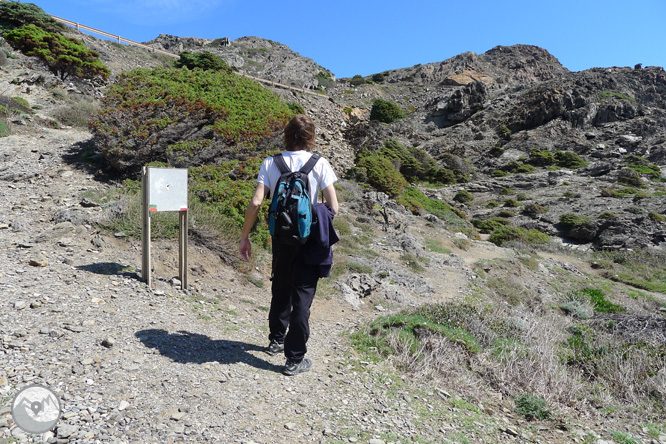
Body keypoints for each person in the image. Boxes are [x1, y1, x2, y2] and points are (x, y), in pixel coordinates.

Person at [239, 114, 339, 376]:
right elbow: (334, 206)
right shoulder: (320, 163)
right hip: (309, 240)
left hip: (281, 239)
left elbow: (257, 202)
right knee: (302, 297)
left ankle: (276, 339)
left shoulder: (271, 163)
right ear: (310, 137)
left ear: (286, 135)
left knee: (280, 286)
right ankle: (294, 358)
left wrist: (245, 236)